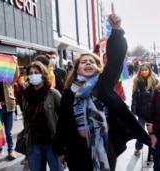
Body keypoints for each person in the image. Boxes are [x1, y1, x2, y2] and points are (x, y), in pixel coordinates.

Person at [52, 7, 150, 171]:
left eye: (92, 61)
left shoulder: (103, 84)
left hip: (105, 146)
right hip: (77, 149)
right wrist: (59, 148)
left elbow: (116, 58)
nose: (88, 63)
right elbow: (63, 122)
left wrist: (116, 31)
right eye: (84, 62)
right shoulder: (70, 92)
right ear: (77, 69)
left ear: (98, 67)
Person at [21, 61, 63, 171]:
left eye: (36, 72)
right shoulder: (26, 95)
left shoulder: (53, 93)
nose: (34, 75)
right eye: (31, 73)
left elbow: (63, 118)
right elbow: (25, 119)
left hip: (52, 143)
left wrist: (63, 144)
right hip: (34, 144)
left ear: (43, 74)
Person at [0, 60, 19, 162]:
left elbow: (16, 74)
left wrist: (15, 63)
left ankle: (10, 150)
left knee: (9, 132)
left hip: (8, 108)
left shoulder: (8, 79)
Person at [131, 62, 157, 156]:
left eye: (146, 69)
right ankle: (138, 147)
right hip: (141, 111)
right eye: (142, 69)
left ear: (149, 70)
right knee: (140, 130)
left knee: (152, 132)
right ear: (139, 71)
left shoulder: (154, 81)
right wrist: (133, 112)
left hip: (151, 112)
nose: (144, 71)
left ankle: (152, 150)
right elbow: (134, 98)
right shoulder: (137, 81)